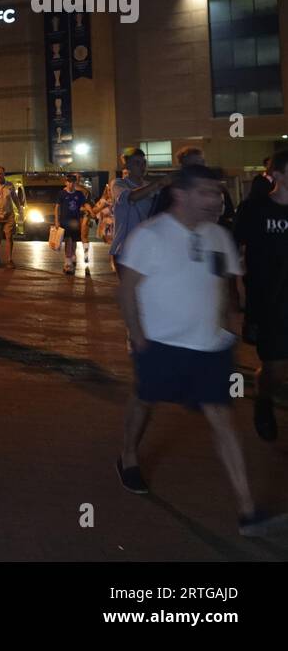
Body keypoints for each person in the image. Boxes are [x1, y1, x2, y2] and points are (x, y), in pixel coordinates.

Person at [115, 164, 284, 537]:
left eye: (219, 192)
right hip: (159, 343)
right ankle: (128, 454)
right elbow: (126, 290)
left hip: (208, 347)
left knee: (222, 420)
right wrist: (137, 334)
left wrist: (230, 329)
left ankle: (247, 510)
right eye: (207, 192)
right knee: (144, 401)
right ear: (181, 194)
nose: (216, 200)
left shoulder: (219, 236)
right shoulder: (151, 236)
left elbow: (226, 286)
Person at [234, 149, 288, 441]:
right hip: (271, 302)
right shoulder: (255, 209)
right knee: (275, 369)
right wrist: (240, 293)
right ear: (276, 175)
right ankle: (263, 401)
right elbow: (237, 253)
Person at [109, 147, 169, 272]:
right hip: (124, 248)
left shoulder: (150, 186)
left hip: (148, 249)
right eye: (136, 163)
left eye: (143, 163)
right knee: (130, 290)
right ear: (127, 166)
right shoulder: (119, 184)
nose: (142, 167)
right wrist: (159, 184)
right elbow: (132, 197)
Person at [155, 145, 235, 228]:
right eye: (194, 165)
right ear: (184, 167)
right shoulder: (170, 190)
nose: (200, 168)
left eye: (202, 163)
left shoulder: (217, 188)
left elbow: (228, 214)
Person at [55, 173, 88, 275]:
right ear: (66, 182)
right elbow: (57, 207)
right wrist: (57, 220)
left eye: (73, 182)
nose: (71, 184)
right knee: (68, 240)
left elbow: (83, 205)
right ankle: (67, 262)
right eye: (69, 182)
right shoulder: (61, 194)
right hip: (65, 221)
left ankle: (72, 257)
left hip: (76, 221)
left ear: (75, 183)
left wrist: (89, 212)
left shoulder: (79, 194)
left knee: (74, 241)